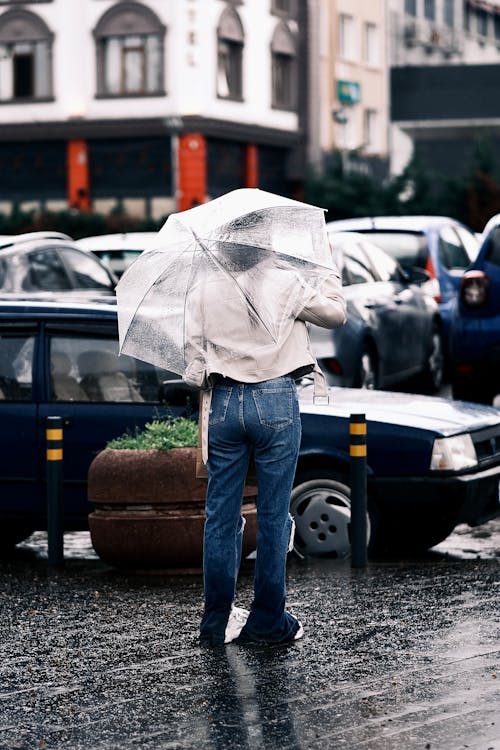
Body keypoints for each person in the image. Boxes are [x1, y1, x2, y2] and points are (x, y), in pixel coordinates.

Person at [186, 238, 346, 646]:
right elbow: (335, 315)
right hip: (275, 400)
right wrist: (326, 269)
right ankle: (268, 621)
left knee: (221, 515)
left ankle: (215, 622)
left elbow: (193, 362)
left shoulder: (204, 285)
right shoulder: (283, 281)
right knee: (274, 515)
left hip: (222, 403)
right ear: (265, 244)